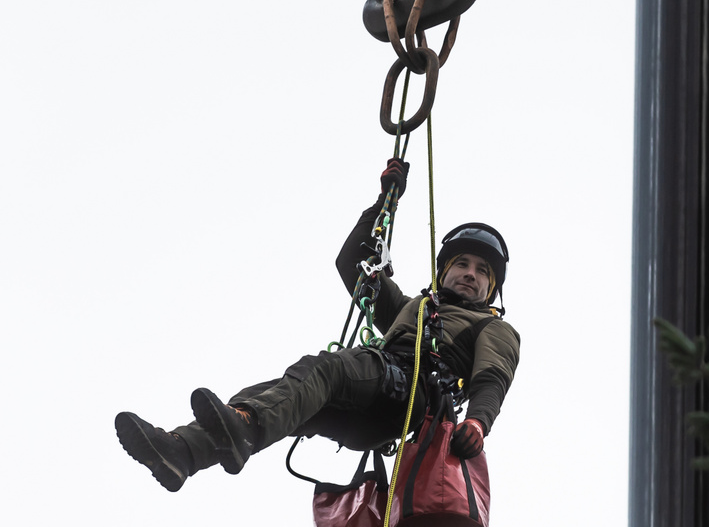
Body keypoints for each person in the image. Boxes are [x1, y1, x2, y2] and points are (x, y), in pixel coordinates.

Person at [115, 158, 520, 492]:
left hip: (408, 395)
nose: (470, 274)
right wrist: (384, 202)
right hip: (372, 412)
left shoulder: (492, 328)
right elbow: (352, 264)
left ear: (492, 287)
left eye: (482, 271)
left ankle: (238, 429)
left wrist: (479, 423)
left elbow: (492, 378)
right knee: (272, 395)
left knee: (324, 368)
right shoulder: (413, 308)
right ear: (443, 272)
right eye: (462, 264)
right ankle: (182, 451)